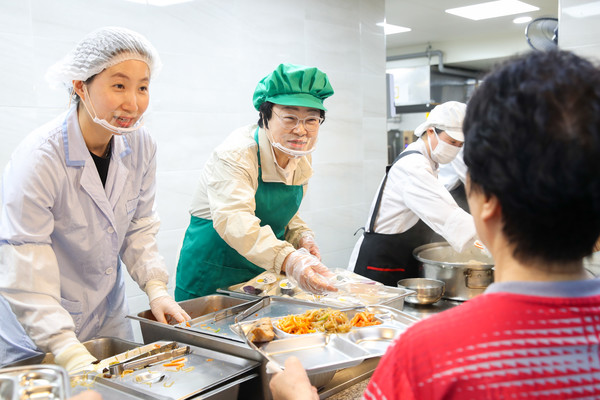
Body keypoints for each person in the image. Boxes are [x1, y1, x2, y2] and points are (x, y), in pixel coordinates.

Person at [270, 49, 600, 399]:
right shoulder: (413, 166)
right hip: (377, 260)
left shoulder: (428, 353)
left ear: (486, 200)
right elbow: (448, 215)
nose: (456, 152)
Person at [0, 27, 190, 371]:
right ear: (80, 86)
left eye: (143, 87)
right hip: (35, 327)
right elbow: (25, 258)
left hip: (106, 314)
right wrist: (65, 349)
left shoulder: (141, 145)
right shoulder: (40, 157)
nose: (133, 103)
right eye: (119, 85)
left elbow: (139, 226)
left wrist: (156, 287)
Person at [175, 63, 338, 300]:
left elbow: (284, 211)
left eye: (311, 120)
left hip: (261, 273)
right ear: (265, 116)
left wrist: (301, 236)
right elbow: (234, 220)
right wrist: (289, 258)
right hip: (212, 275)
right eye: (290, 118)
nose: (301, 131)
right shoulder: (237, 153)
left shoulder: (300, 154)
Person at [348, 101, 477, 286]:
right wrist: (490, 244)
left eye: (459, 144)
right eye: (451, 142)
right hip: (379, 265)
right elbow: (447, 215)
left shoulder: (427, 162)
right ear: (431, 131)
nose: (455, 148)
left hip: (395, 259)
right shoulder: (413, 166)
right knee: (370, 315)